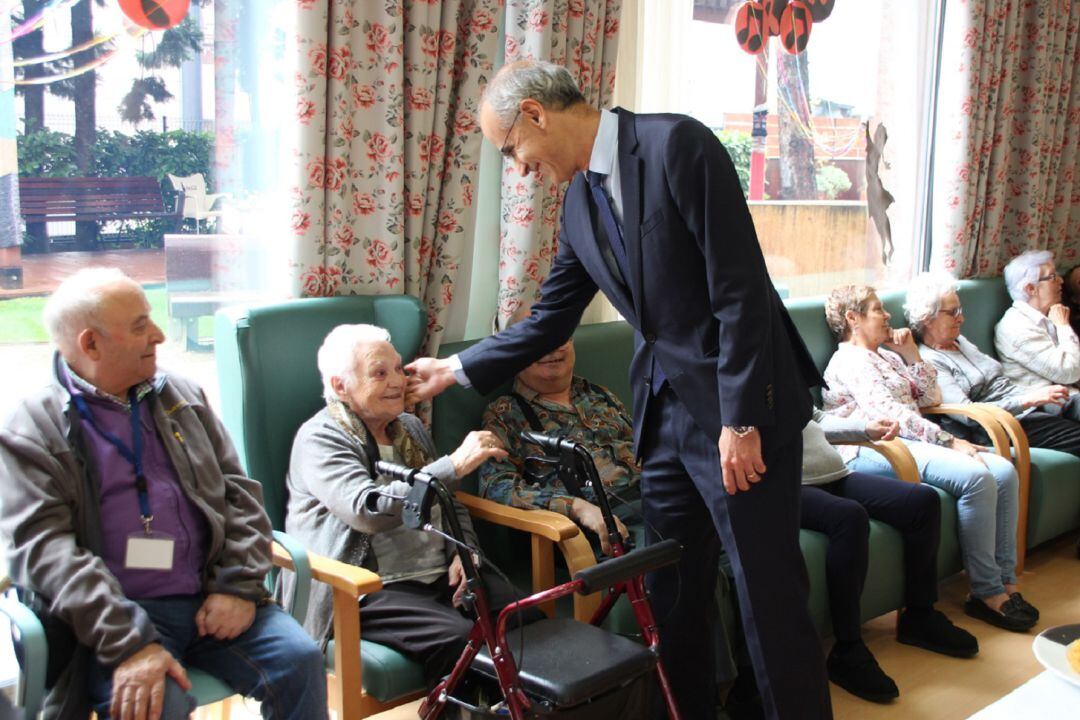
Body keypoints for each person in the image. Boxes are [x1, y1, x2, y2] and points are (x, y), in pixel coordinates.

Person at [405, 60, 829, 719]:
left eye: (512, 149)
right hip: (661, 419)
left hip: (739, 412)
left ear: (537, 115)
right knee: (674, 595)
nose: (518, 168)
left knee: (766, 598)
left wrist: (740, 419)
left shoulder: (675, 146)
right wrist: (457, 369)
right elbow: (551, 316)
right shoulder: (577, 203)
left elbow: (740, 290)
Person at [0, 268, 326, 720]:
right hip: (116, 613)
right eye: (139, 326)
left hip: (208, 593)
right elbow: (47, 554)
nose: (158, 335)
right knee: (155, 706)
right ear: (90, 344)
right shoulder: (32, 428)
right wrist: (131, 643)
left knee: (300, 660)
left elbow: (242, 497)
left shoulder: (180, 396)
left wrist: (238, 586)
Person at [284, 324, 539, 688]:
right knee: (461, 639)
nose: (397, 382)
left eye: (398, 370)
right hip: (367, 587)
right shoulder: (321, 438)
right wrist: (451, 466)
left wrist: (465, 555)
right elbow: (367, 511)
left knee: (524, 616)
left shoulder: (409, 427)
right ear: (341, 386)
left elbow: (448, 501)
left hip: (437, 574)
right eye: (379, 373)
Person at [822, 284, 1038, 634]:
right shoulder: (849, 359)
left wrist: (911, 354)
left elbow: (929, 397)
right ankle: (987, 592)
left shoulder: (888, 355)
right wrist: (951, 441)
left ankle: (1007, 582)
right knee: (977, 477)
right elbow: (889, 413)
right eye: (878, 309)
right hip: (873, 445)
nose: (888, 315)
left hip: (911, 439)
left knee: (1003, 471)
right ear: (852, 318)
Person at [799, 408, 978, 703]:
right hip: (785, 486)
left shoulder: (784, 366)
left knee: (922, 501)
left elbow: (815, 418)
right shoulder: (739, 375)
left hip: (834, 474)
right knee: (849, 517)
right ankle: (848, 648)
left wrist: (864, 428)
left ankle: (919, 616)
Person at [905, 271, 1080, 457]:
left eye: (960, 311)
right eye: (952, 313)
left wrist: (1032, 398)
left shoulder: (959, 341)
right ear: (927, 318)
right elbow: (967, 415)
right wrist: (1029, 400)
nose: (961, 319)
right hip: (1000, 425)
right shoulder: (930, 361)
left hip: (1026, 407)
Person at [994, 251, 1080, 400]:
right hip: (1049, 403)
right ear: (1031, 289)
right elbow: (1068, 372)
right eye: (1052, 277)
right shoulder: (1015, 326)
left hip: (1070, 395)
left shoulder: (1049, 316)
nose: (1060, 281)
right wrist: (1063, 326)